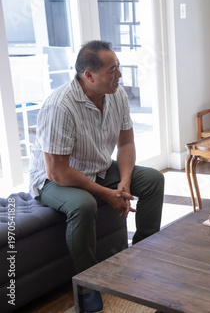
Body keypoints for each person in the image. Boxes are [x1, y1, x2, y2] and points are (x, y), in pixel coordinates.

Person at [29, 40, 164, 312]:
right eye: (112, 70)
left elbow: (126, 143)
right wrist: (105, 193)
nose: (120, 75)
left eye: (119, 68)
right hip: (54, 179)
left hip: (99, 167)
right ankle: (88, 285)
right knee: (83, 204)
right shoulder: (61, 106)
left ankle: (142, 255)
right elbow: (57, 170)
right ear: (88, 75)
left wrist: (124, 180)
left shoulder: (117, 95)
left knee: (152, 180)